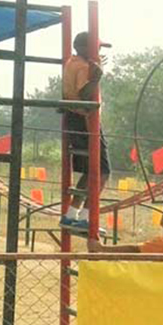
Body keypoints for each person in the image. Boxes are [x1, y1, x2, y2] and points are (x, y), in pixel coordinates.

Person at [60, 31, 111, 232]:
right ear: (85, 48)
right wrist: (96, 77)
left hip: (74, 119)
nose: (98, 51)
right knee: (102, 171)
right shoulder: (83, 67)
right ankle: (87, 218)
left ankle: (71, 214)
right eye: (96, 47)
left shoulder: (71, 63)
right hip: (85, 120)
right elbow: (86, 96)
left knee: (90, 171)